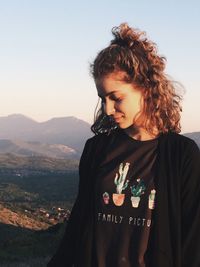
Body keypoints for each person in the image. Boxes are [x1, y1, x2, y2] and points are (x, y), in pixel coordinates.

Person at [47, 23, 200, 267]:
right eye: (102, 98)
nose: (108, 109)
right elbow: (78, 225)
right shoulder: (96, 149)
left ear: (146, 88)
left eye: (116, 98)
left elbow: (192, 241)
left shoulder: (182, 154)